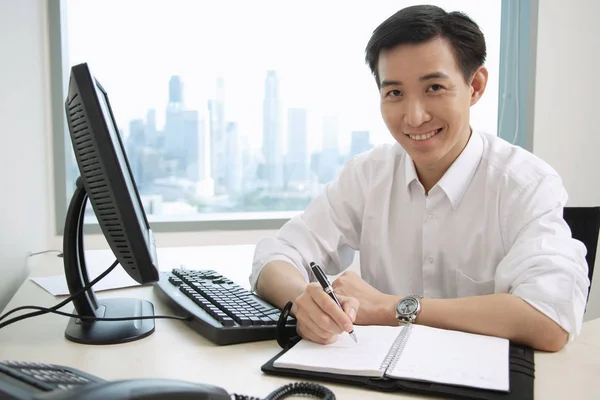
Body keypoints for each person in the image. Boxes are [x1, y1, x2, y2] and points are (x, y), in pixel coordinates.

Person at [249, 4, 589, 352]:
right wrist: (305, 302)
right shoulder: (369, 175)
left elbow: (551, 319)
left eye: (434, 88)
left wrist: (391, 307)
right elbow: (275, 255)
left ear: (475, 86)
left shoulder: (525, 184)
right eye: (395, 93)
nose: (414, 117)